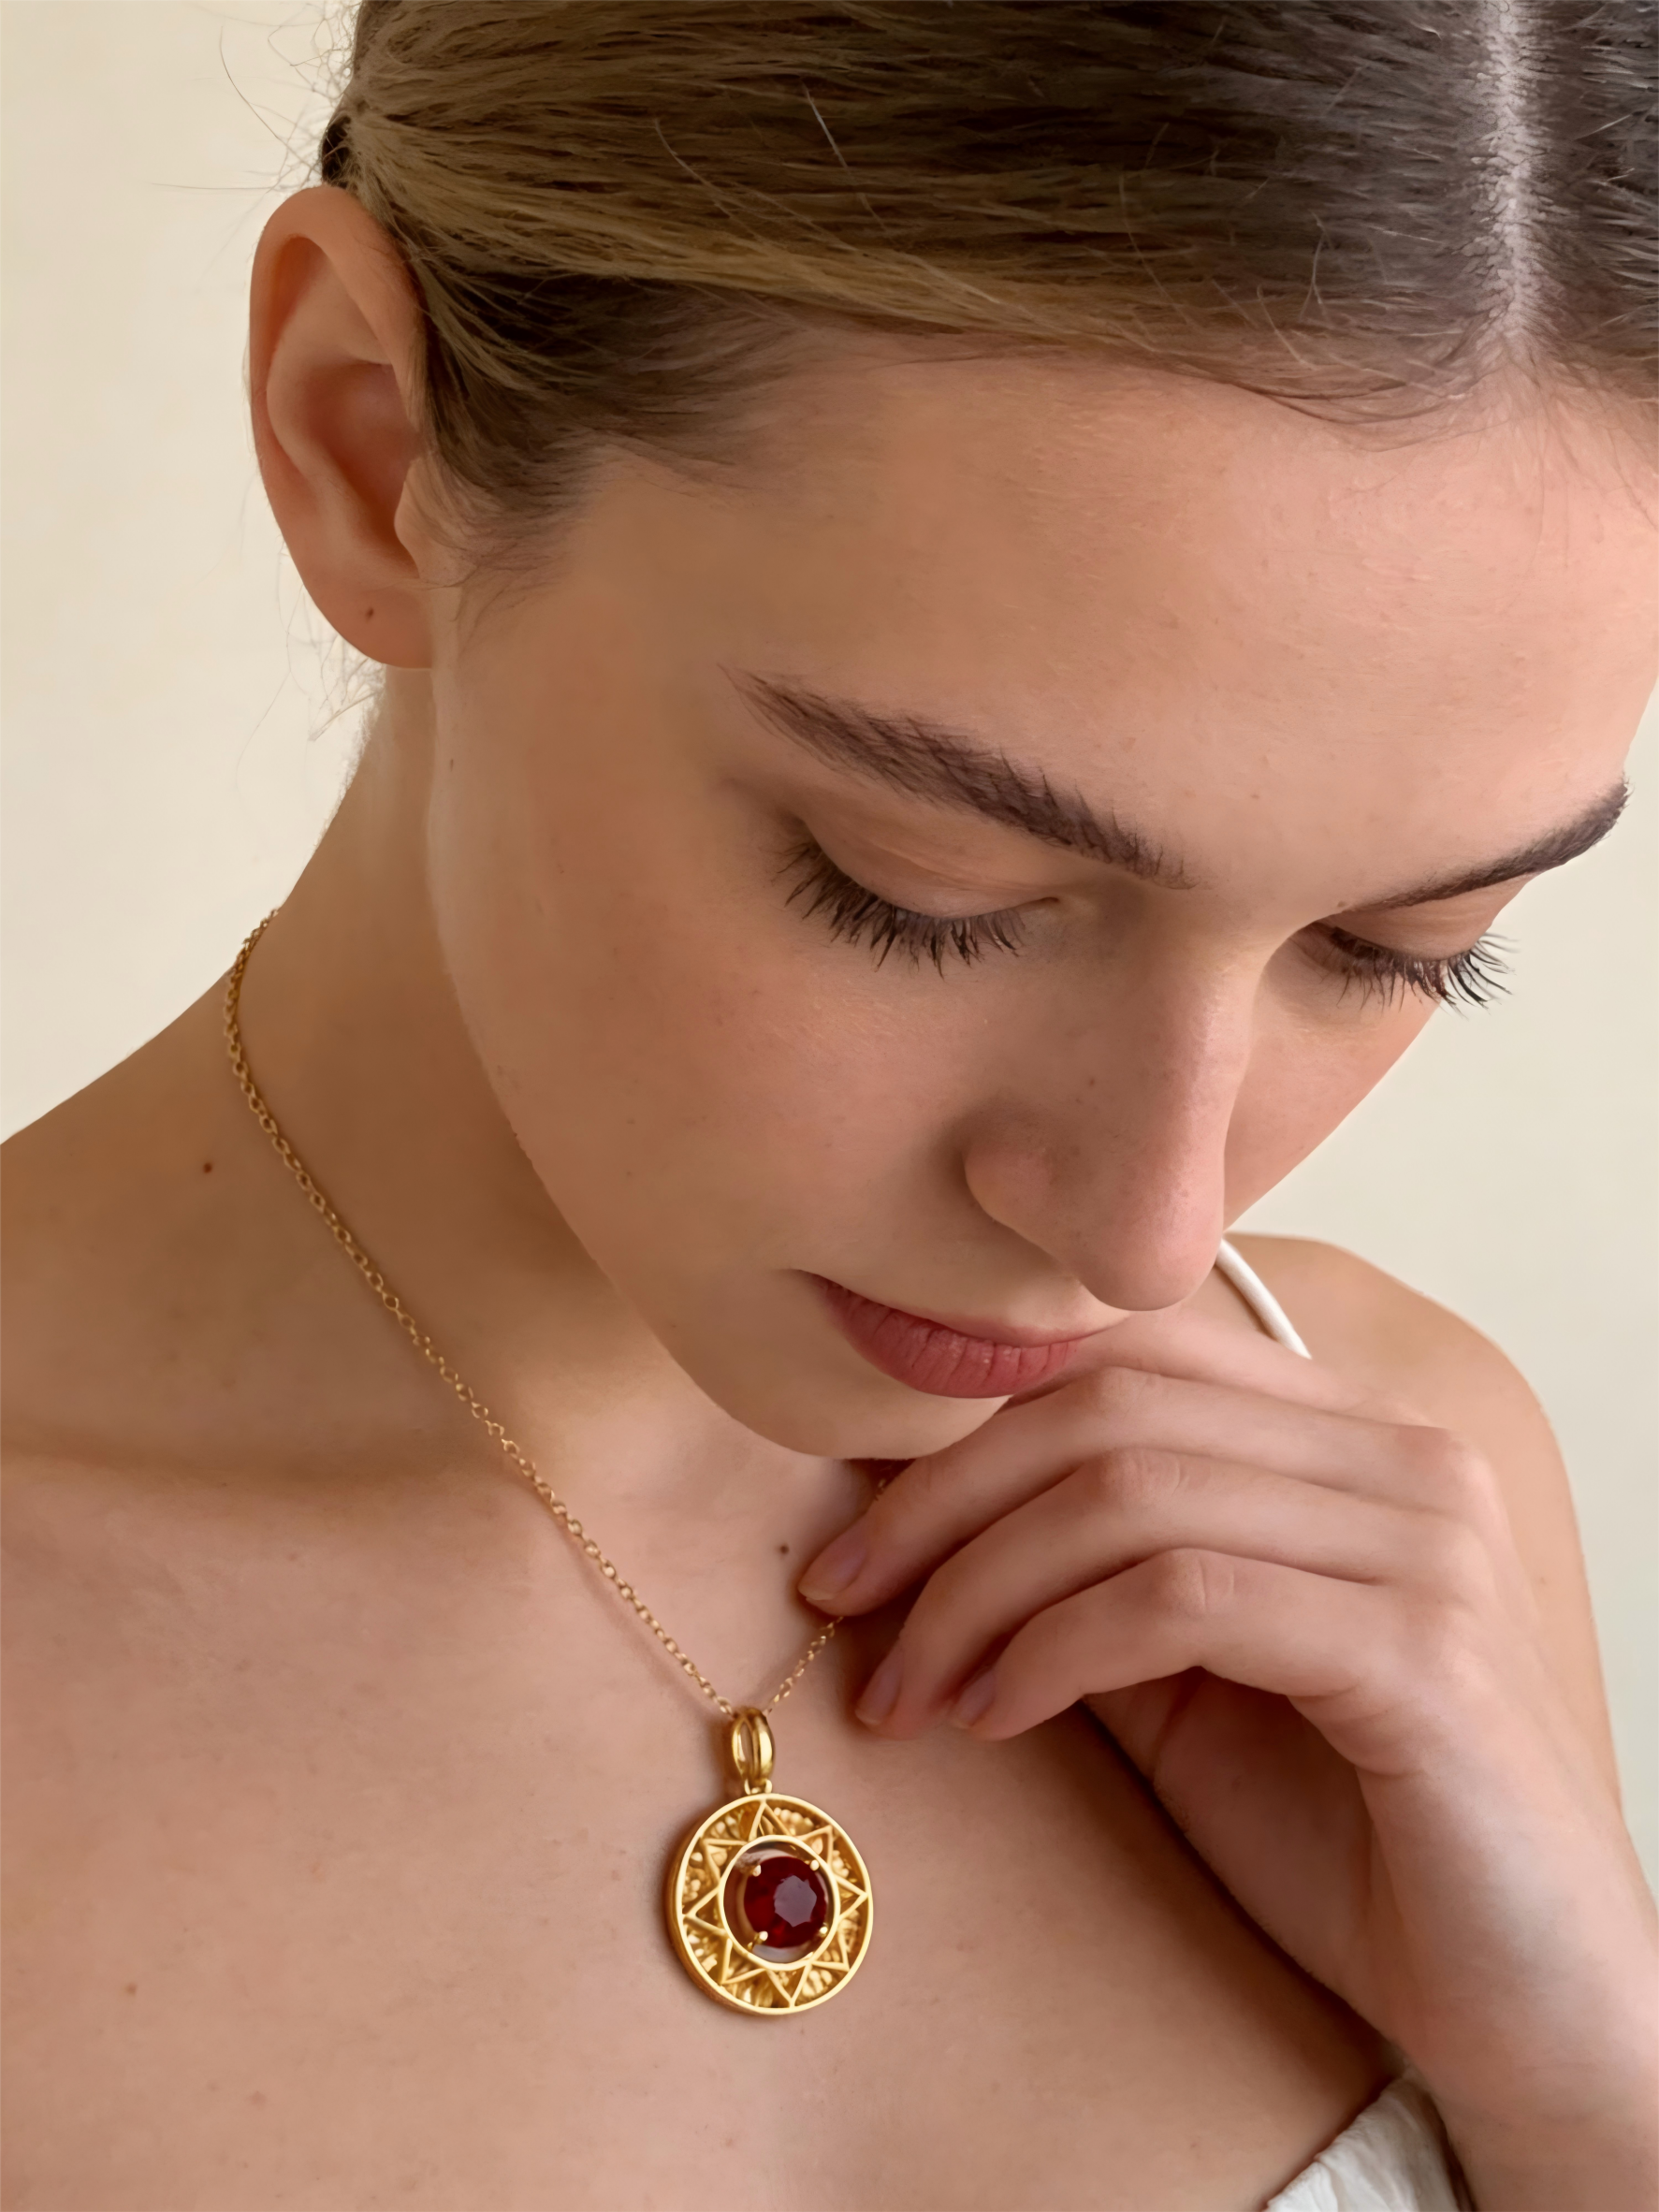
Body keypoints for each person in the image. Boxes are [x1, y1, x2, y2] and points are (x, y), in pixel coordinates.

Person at [3, 1, 1658, 2204]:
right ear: (367, 444)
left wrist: (1592, 2092)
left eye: (1400, 945)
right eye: (923, 889)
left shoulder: (1389, 1499)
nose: (1147, 1230)